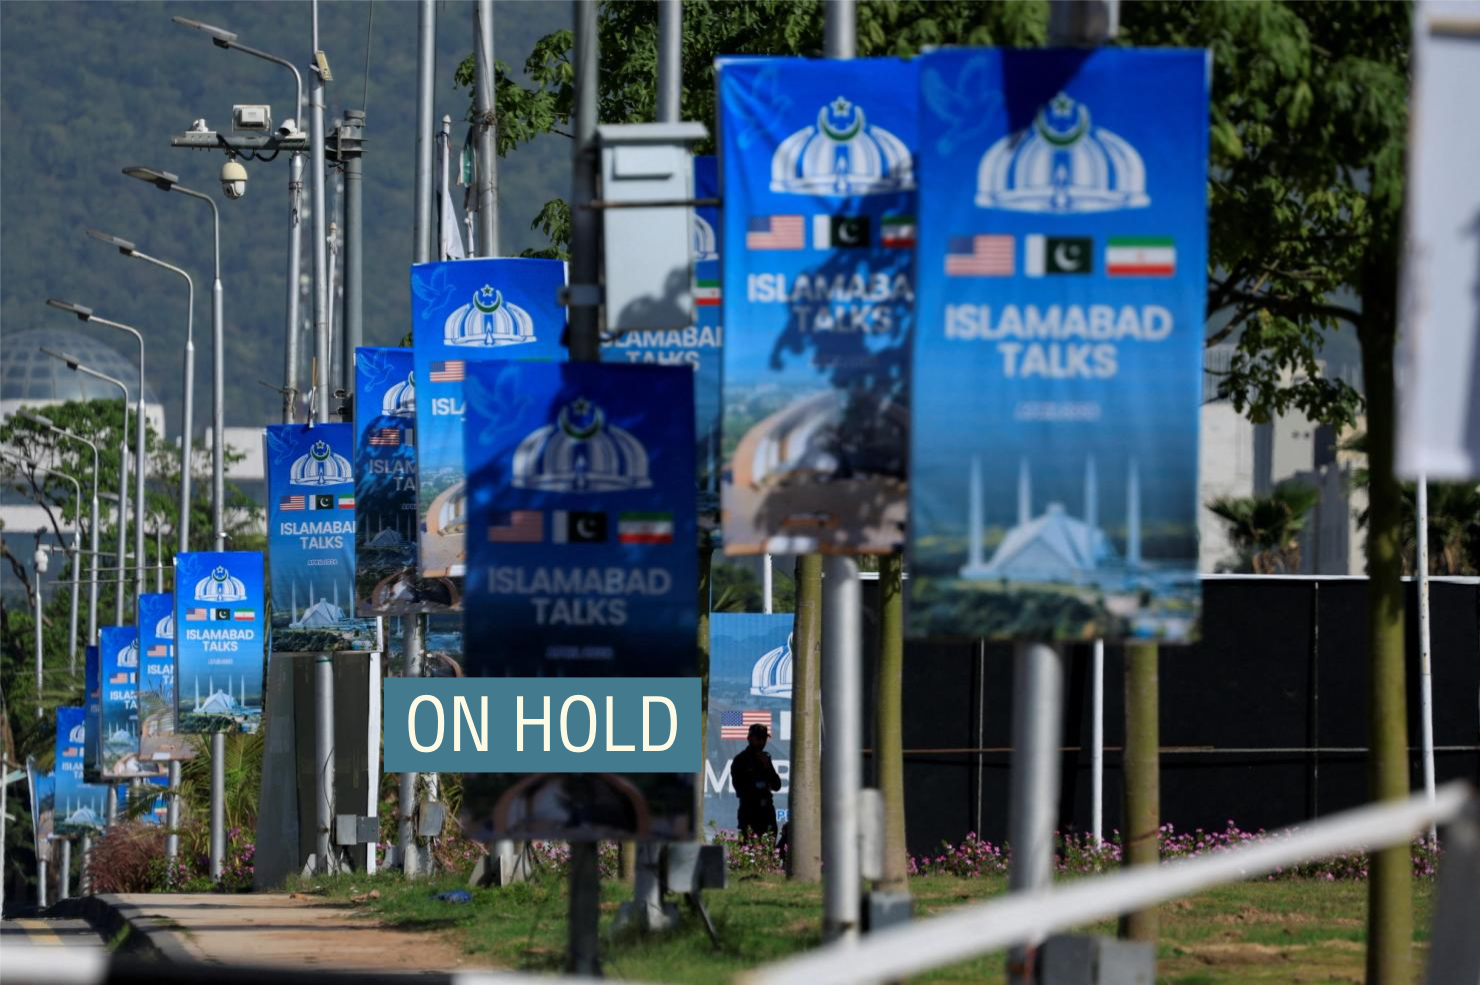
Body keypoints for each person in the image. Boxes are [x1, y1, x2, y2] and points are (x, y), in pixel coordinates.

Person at [731, 722, 782, 840]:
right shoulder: (741, 760)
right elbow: (739, 788)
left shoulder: (766, 759)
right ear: (749, 738)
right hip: (750, 812)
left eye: (764, 738)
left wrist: (767, 767)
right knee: (750, 850)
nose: (762, 742)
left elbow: (777, 785)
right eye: (758, 738)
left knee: (769, 851)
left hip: (767, 813)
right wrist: (758, 785)